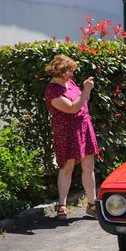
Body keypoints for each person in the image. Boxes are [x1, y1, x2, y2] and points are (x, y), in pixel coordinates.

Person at [44, 55, 99, 220]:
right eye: (71, 71)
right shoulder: (52, 90)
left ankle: (92, 204)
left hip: (83, 127)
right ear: (62, 71)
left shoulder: (70, 84)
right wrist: (87, 90)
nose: (73, 74)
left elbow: (83, 101)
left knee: (88, 166)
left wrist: (85, 91)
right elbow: (72, 108)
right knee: (67, 166)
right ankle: (62, 205)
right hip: (67, 131)